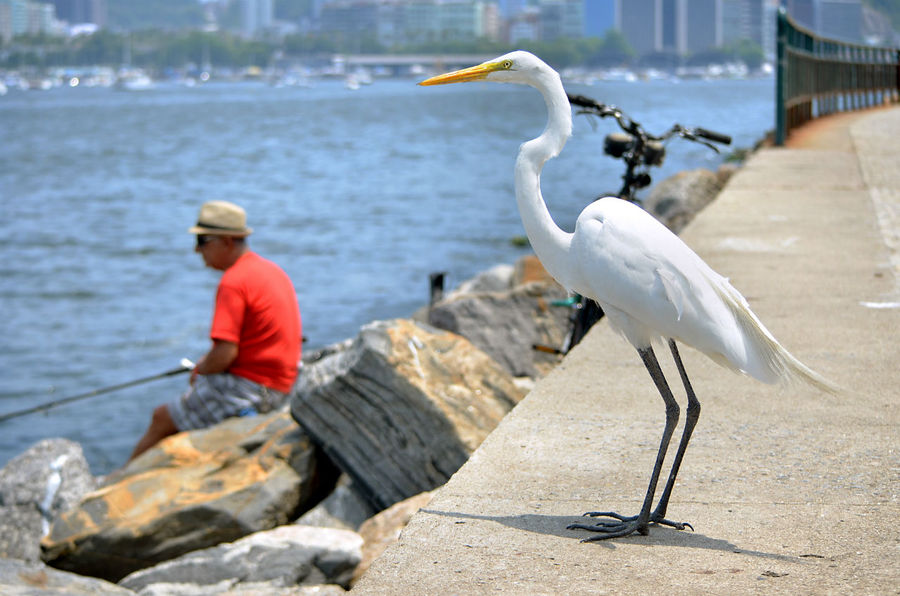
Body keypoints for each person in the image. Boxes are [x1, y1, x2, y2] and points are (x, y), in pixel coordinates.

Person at [129, 200, 302, 460]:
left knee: (162, 418)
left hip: (256, 391)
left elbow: (225, 354)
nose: (197, 250)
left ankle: (115, 483)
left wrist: (200, 369)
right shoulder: (271, 270)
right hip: (284, 385)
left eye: (202, 240)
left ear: (228, 241)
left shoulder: (234, 282)